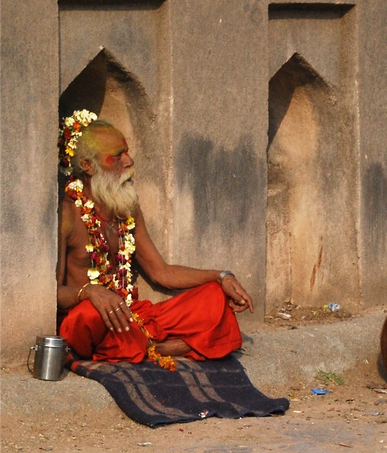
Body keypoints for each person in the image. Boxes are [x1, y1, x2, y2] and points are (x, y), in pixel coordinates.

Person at [56, 110, 254, 369]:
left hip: (130, 315)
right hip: (92, 320)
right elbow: (52, 294)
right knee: (87, 315)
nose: (129, 161)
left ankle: (144, 346)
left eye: (126, 152)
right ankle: (165, 347)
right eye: (117, 156)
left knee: (214, 297)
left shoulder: (127, 208)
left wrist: (221, 276)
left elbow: (161, 273)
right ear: (88, 166)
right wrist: (90, 293)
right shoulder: (68, 213)